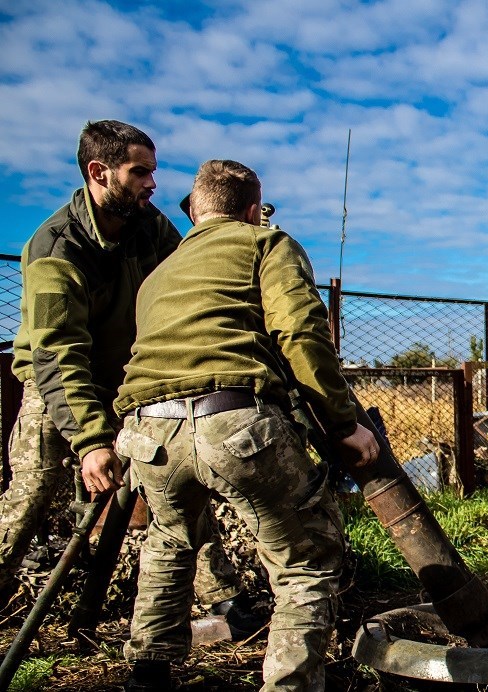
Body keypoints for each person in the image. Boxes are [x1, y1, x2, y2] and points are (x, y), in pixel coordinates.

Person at [112, 159, 379, 691]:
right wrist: (345, 424)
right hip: (232, 423)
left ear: (196, 211)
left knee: (169, 542)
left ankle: (147, 675)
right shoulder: (266, 244)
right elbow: (300, 332)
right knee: (305, 560)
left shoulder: (160, 271)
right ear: (254, 209)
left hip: (148, 433)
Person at [0, 120, 257, 628]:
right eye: (139, 172)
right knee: (31, 494)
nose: (152, 184)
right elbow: (57, 354)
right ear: (99, 172)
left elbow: (186, 282)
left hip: (129, 379)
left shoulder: (151, 227)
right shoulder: (56, 248)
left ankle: (221, 594)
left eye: (153, 173)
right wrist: (92, 440)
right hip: (61, 387)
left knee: (177, 480)